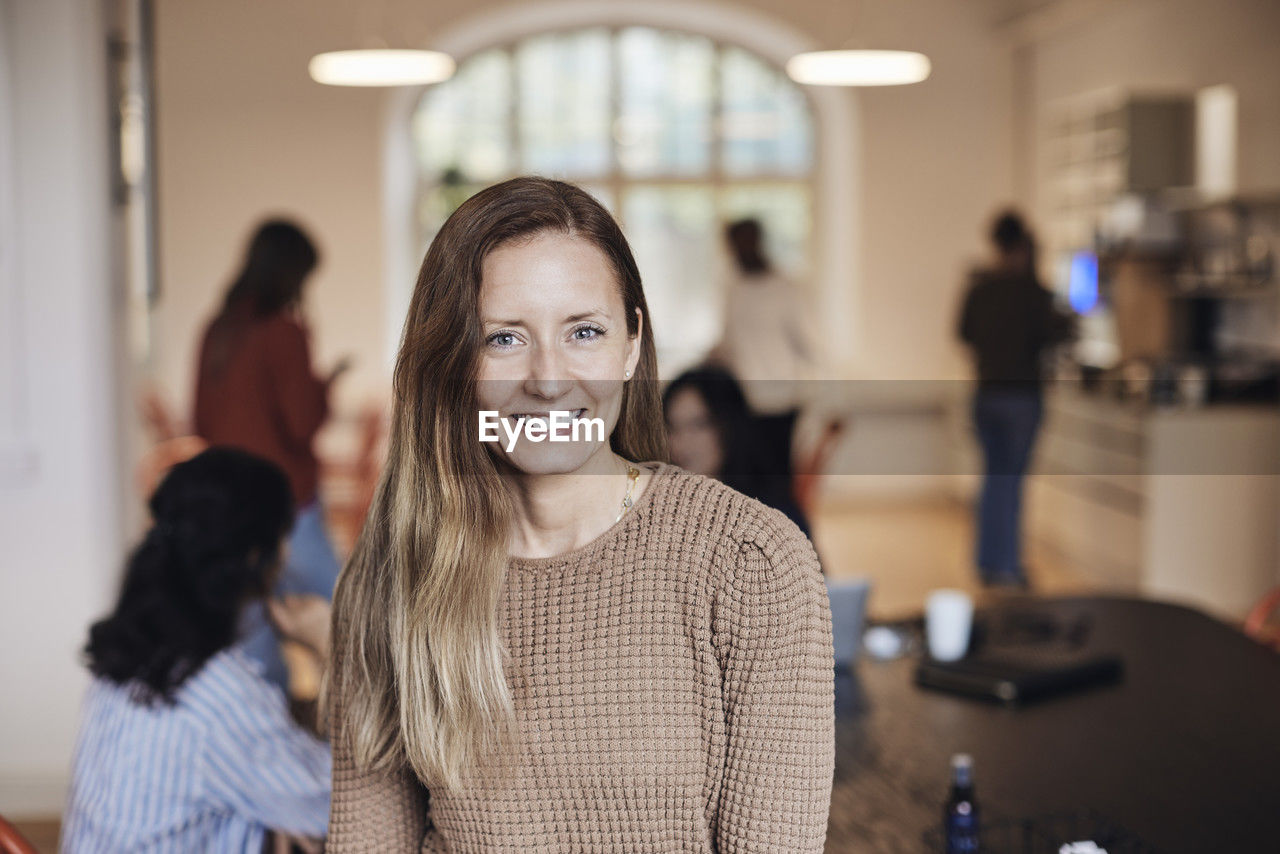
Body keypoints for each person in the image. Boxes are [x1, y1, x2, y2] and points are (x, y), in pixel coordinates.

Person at [325, 177, 834, 851]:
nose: (549, 379)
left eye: (584, 332)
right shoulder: (392, 574)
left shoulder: (750, 561)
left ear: (630, 345)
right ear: (453, 362)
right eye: (504, 339)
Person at [62, 448, 332, 853]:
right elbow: (339, 803)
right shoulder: (222, 695)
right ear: (257, 557)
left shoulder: (129, 659)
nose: (289, 552)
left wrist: (274, 815)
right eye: (284, 535)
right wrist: (330, 645)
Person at [193, 219, 350, 691]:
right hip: (287, 504)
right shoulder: (284, 331)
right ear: (292, 274)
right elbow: (302, 425)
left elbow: (199, 421)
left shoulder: (217, 329)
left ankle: (266, 737)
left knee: (251, 637)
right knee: (351, 618)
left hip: (229, 507)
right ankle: (371, 738)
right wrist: (325, 384)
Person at [957, 210, 1074, 588]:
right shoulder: (1033, 292)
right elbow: (1058, 333)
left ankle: (987, 562)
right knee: (1009, 482)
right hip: (1021, 399)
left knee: (993, 478)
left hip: (986, 395)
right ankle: (1007, 567)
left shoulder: (979, 286)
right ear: (1024, 244)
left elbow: (963, 333)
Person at [663, 365, 811, 537]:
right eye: (672, 428)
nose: (681, 442)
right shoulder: (668, 508)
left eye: (699, 425)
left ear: (729, 426)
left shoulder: (774, 514)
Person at [710, 217, 815, 416]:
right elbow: (729, 341)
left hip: (783, 400)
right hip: (743, 401)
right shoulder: (734, 290)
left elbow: (807, 343)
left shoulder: (785, 288)